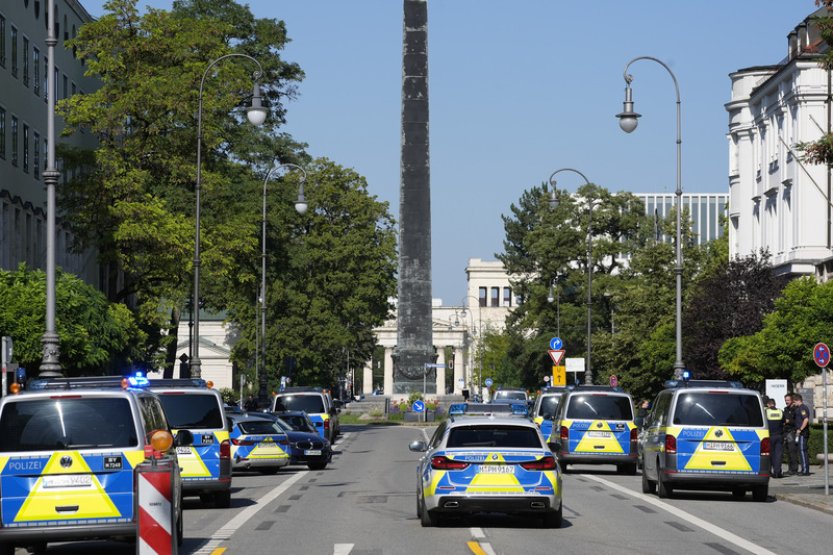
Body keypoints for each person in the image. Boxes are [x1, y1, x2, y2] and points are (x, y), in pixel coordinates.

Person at [764, 397, 784, 478]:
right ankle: (777, 472)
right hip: (779, 435)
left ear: (768, 404)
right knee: (778, 455)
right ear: (774, 404)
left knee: (771, 454)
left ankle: (770, 471)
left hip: (770, 436)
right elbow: (784, 422)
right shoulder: (780, 411)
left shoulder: (766, 412)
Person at [793, 393, 812, 476]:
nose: (794, 403)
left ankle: (805, 470)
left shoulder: (802, 408)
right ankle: (804, 469)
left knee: (802, 451)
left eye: (794, 402)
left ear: (798, 400)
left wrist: (800, 429)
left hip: (802, 433)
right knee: (801, 451)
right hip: (800, 432)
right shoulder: (799, 408)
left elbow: (806, 419)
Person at [783, 393, 799, 476]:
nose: (786, 402)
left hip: (792, 432)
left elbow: (797, 421)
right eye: (785, 400)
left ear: (792, 400)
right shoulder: (786, 409)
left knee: (792, 451)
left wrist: (789, 421)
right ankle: (790, 469)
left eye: (788, 400)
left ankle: (794, 469)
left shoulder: (795, 409)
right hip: (786, 432)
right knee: (788, 451)